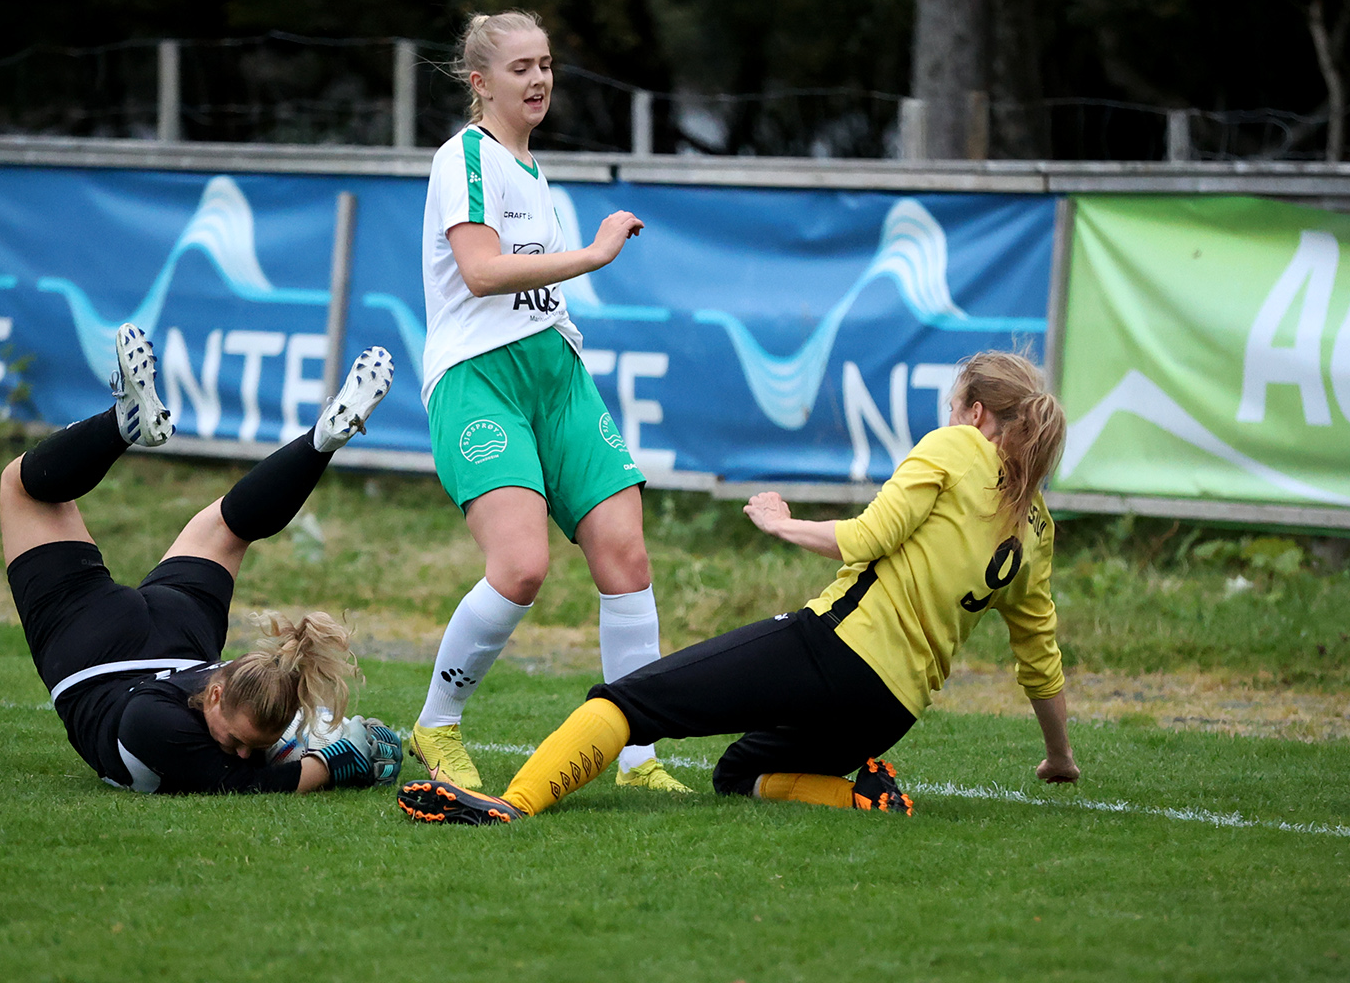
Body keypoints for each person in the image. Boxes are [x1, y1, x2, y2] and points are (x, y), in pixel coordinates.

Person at [397, 350, 1080, 825]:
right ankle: (863, 799)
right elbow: (1039, 660)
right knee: (737, 774)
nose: (953, 416)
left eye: (956, 405)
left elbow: (870, 536)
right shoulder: (1039, 525)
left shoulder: (958, 446)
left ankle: (512, 805)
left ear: (978, 414)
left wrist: (783, 524)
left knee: (627, 700)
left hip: (835, 650)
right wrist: (1059, 757)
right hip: (890, 711)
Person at [405, 10, 689, 795]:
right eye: (521, 67)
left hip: (556, 374)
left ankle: (637, 758)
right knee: (522, 566)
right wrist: (593, 254)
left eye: (546, 64)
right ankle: (435, 725)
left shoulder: (534, 172)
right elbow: (480, 272)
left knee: (626, 555)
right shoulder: (466, 155)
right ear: (481, 82)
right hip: (480, 378)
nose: (539, 80)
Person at [1, 322, 402, 794]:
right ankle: (318, 443)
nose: (242, 754)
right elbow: (258, 779)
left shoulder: (170, 717)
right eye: (237, 741)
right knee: (227, 528)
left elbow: (253, 775)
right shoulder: (170, 718)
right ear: (215, 689)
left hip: (145, 639)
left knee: (30, 489)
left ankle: (128, 424)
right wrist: (339, 758)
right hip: (115, 645)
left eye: (251, 746)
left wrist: (337, 753)